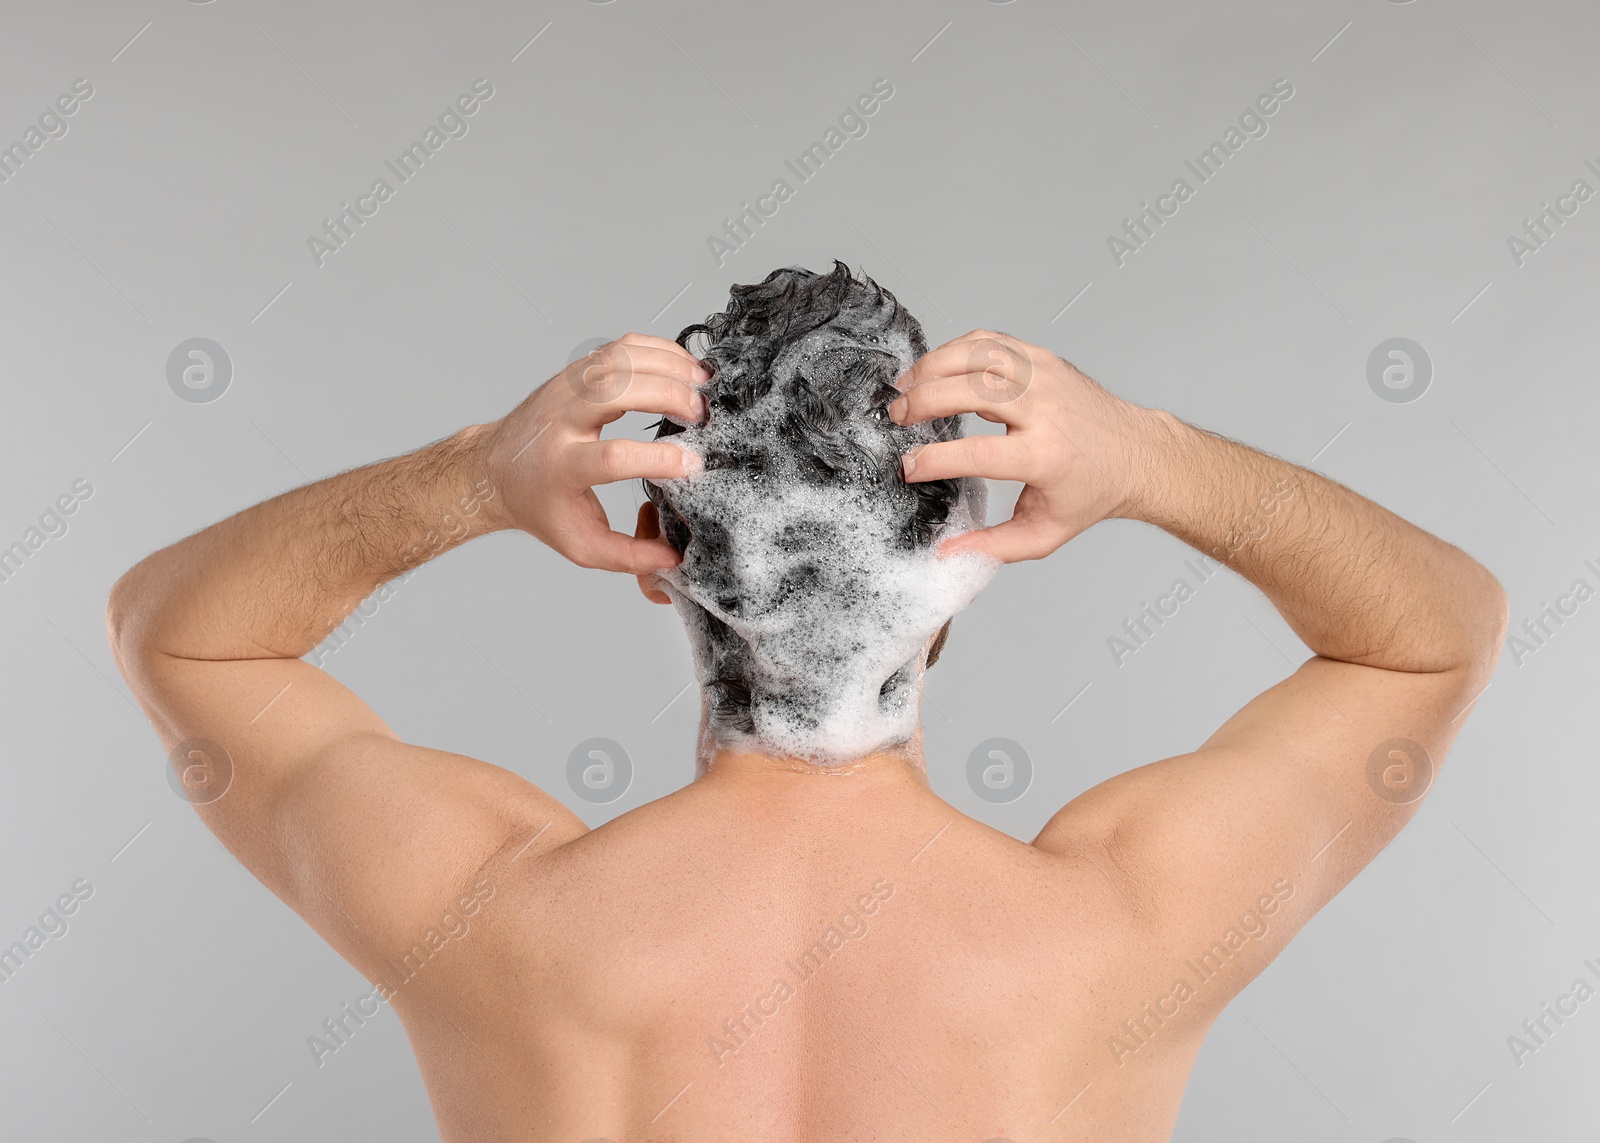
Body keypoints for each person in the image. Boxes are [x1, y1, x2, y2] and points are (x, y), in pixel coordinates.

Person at [107, 263, 1506, 1142]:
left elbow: (183, 638)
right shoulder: (1117, 933)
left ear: (667, 574)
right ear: (958, 578)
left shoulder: (496, 921)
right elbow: (1430, 639)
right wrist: (1152, 457)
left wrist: (477, 472)